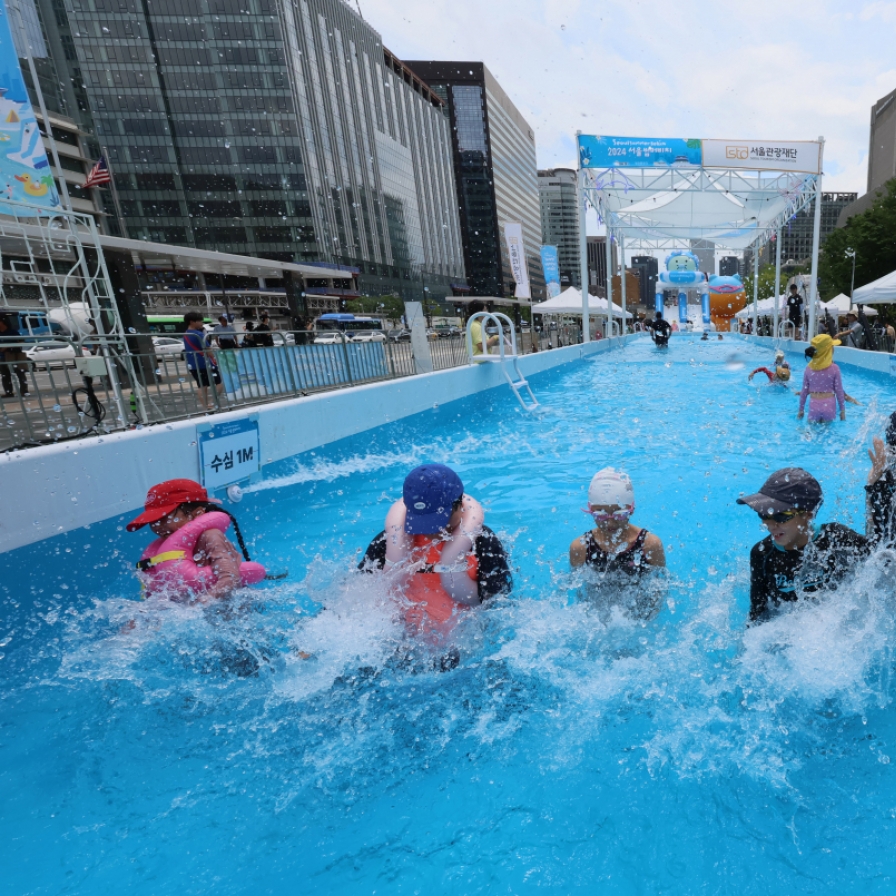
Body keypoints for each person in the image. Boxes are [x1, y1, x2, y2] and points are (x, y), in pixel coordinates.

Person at [359, 463, 512, 628]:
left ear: (459, 506)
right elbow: (362, 591)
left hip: (459, 638)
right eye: (421, 522)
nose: (430, 532)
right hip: (402, 635)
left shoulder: (483, 543)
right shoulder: (389, 541)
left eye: (438, 522)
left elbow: (499, 601)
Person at [737, 468, 869, 624]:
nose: (770, 524)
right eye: (764, 514)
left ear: (808, 514)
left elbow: (882, 554)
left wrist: (876, 486)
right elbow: (758, 615)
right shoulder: (763, 553)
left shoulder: (836, 538)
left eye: (780, 515)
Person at [128, 478, 266, 601]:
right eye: (153, 521)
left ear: (198, 513)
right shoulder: (161, 550)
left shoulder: (211, 536)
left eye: (164, 518)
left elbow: (230, 578)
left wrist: (203, 602)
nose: (157, 526)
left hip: (230, 608)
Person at [569, 469, 666, 601]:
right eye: (601, 515)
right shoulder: (581, 547)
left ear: (631, 509)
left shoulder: (649, 545)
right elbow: (579, 592)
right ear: (590, 510)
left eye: (619, 514)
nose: (610, 522)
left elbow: (660, 588)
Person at [798, 334, 846, 423]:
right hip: (829, 405)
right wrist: (842, 410)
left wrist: (801, 409)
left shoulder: (808, 369)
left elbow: (804, 391)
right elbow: (839, 391)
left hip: (813, 405)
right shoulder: (835, 368)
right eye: (832, 346)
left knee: (810, 432)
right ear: (827, 351)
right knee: (828, 433)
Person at [183, 311, 223, 410]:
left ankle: (206, 407)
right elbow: (208, 349)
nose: (201, 323)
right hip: (204, 362)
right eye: (199, 321)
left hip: (192, 364)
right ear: (192, 322)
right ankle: (212, 402)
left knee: (201, 386)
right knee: (219, 383)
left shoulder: (185, 334)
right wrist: (213, 358)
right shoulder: (198, 334)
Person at [0, 314, 29, 398]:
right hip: (2, 357)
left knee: (19, 373)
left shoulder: (12, 332)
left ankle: (24, 391)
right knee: (5, 375)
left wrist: (8, 346)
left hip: (13, 356)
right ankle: (8, 392)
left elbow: (21, 342)